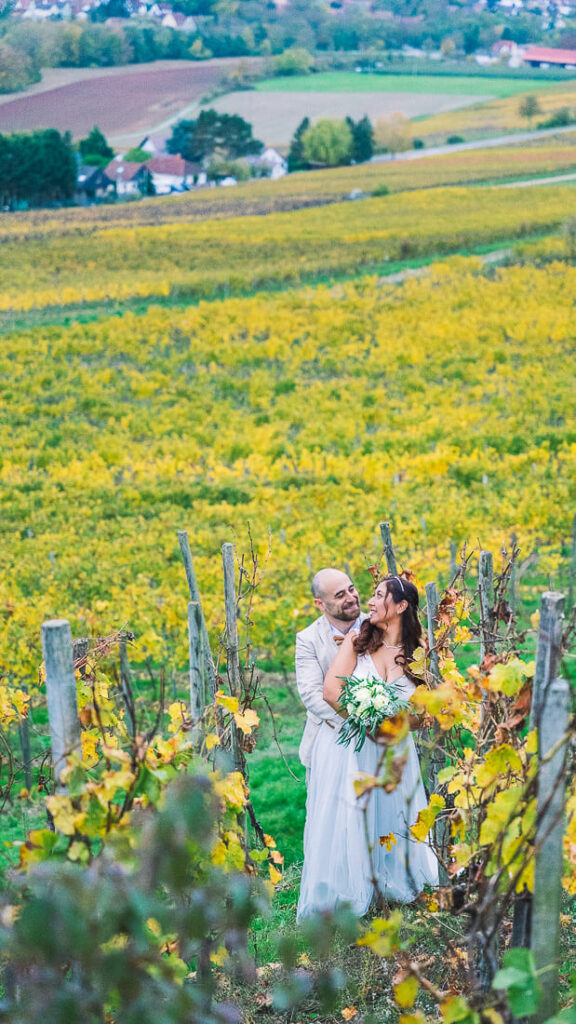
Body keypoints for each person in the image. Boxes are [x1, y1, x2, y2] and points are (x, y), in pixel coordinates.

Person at [296, 574, 438, 921]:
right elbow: (328, 693)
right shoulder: (358, 638)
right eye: (342, 594)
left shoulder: (419, 651)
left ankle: (391, 884)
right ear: (322, 602)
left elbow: (429, 713)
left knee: (389, 815)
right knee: (348, 818)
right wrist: (366, 719)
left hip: (392, 748)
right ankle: (348, 890)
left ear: (401, 606)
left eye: (375, 594)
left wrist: (394, 723)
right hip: (349, 745)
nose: (365, 600)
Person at [295, 568, 367, 783]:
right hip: (329, 737)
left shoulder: (378, 625)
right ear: (320, 604)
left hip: (379, 740)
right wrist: (359, 718)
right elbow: (311, 695)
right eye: (340, 595)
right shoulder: (308, 639)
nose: (351, 598)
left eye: (351, 589)